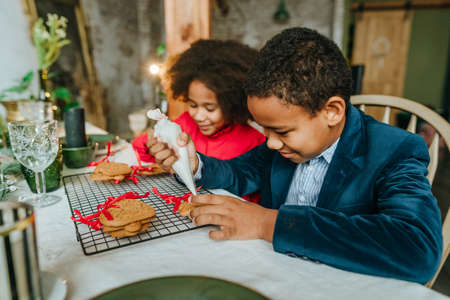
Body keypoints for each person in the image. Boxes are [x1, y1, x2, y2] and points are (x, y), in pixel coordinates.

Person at [147, 28, 442, 284]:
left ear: (332, 111)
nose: (271, 143)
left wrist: (269, 224)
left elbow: (417, 249)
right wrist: (194, 163)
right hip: (276, 272)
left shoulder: (395, 151)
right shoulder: (280, 146)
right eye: (265, 130)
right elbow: (239, 174)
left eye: (282, 131)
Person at [132, 39, 266, 203]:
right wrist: (153, 143)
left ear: (232, 104)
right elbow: (141, 149)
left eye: (210, 108)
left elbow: (250, 193)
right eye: (193, 105)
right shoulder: (185, 123)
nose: (199, 116)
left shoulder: (254, 141)